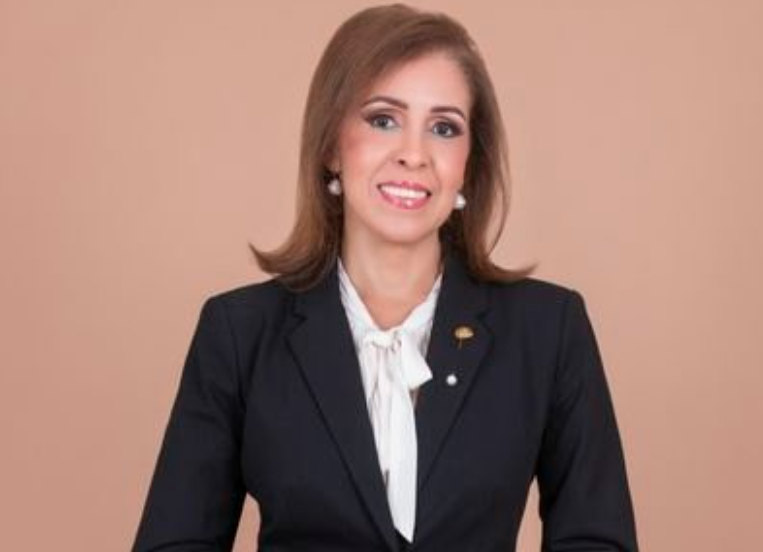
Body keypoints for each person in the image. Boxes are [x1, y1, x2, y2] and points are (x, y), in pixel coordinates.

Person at [131, 4, 639, 552]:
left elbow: (597, 541)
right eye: (383, 119)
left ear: (468, 163)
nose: (413, 155)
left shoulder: (548, 329)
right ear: (331, 144)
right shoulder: (238, 333)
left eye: (443, 128)